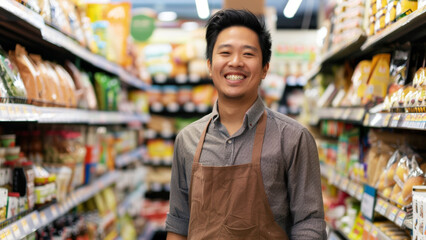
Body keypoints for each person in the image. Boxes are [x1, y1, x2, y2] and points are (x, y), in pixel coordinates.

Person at [165, 9, 326, 239]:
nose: (236, 62)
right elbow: (178, 223)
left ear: (264, 68)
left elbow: (309, 224)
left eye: (248, 54)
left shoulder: (293, 138)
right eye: (225, 52)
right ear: (210, 65)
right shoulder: (187, 139)